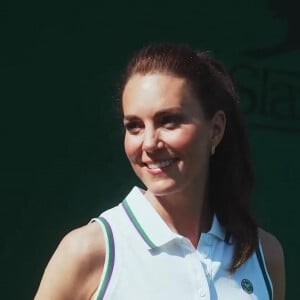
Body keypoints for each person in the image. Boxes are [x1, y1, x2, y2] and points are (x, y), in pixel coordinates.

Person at [34, 43, 285, 300]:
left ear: (216, 129)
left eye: (169, 121)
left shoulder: (265, 254)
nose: (150, 143)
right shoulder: (88, 250)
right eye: (134, 126)